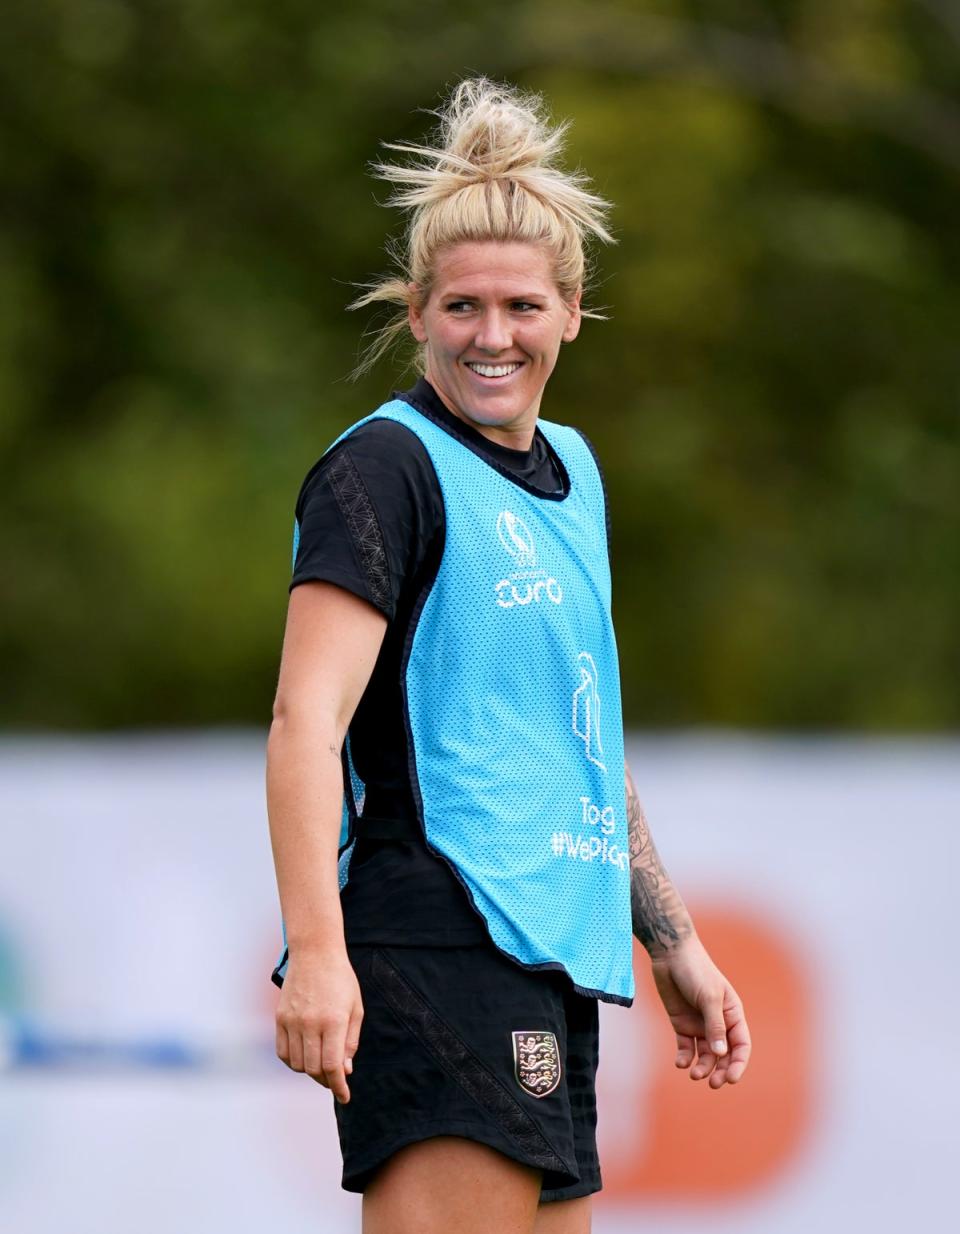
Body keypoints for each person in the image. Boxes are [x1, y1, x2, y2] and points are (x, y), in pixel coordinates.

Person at [265, 77, 751, 1234]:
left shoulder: (574, 475)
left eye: (524, 307)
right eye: (465, 308)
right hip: (436, 934)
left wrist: (671, 940)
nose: (495, 337)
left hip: (550, 950)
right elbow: (305, 726)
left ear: (573, 311)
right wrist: (320, 958)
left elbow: (578, 733)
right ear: (418, 311)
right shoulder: (383, 471)